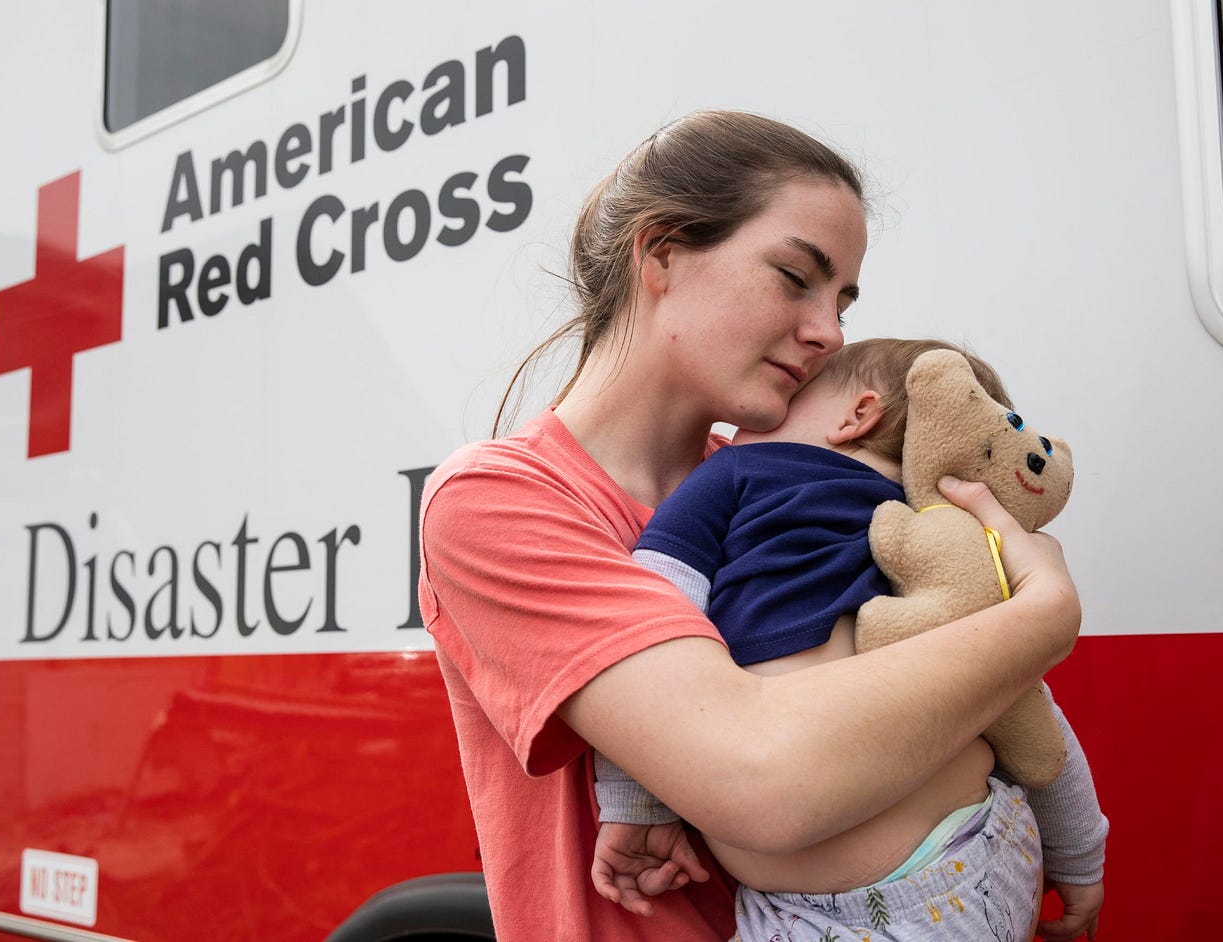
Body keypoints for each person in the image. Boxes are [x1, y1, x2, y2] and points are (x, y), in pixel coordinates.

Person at [416, 110, 1081, 941]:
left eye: (842, 299)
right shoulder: (500, 502)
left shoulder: (783, 486)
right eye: (794, 277)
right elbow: (762, 780)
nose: (829, 331)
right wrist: (1042, 617)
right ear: (661, 253)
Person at [589, 338, 1107, 942]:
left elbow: (647, 639)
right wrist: (1079, 858)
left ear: (858, 416)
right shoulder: (937, 534)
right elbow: (1033, 717)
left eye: (781, 404)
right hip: (991, 853)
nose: (743, 426)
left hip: (837, 911)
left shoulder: (737, 471)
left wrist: (636, 805)